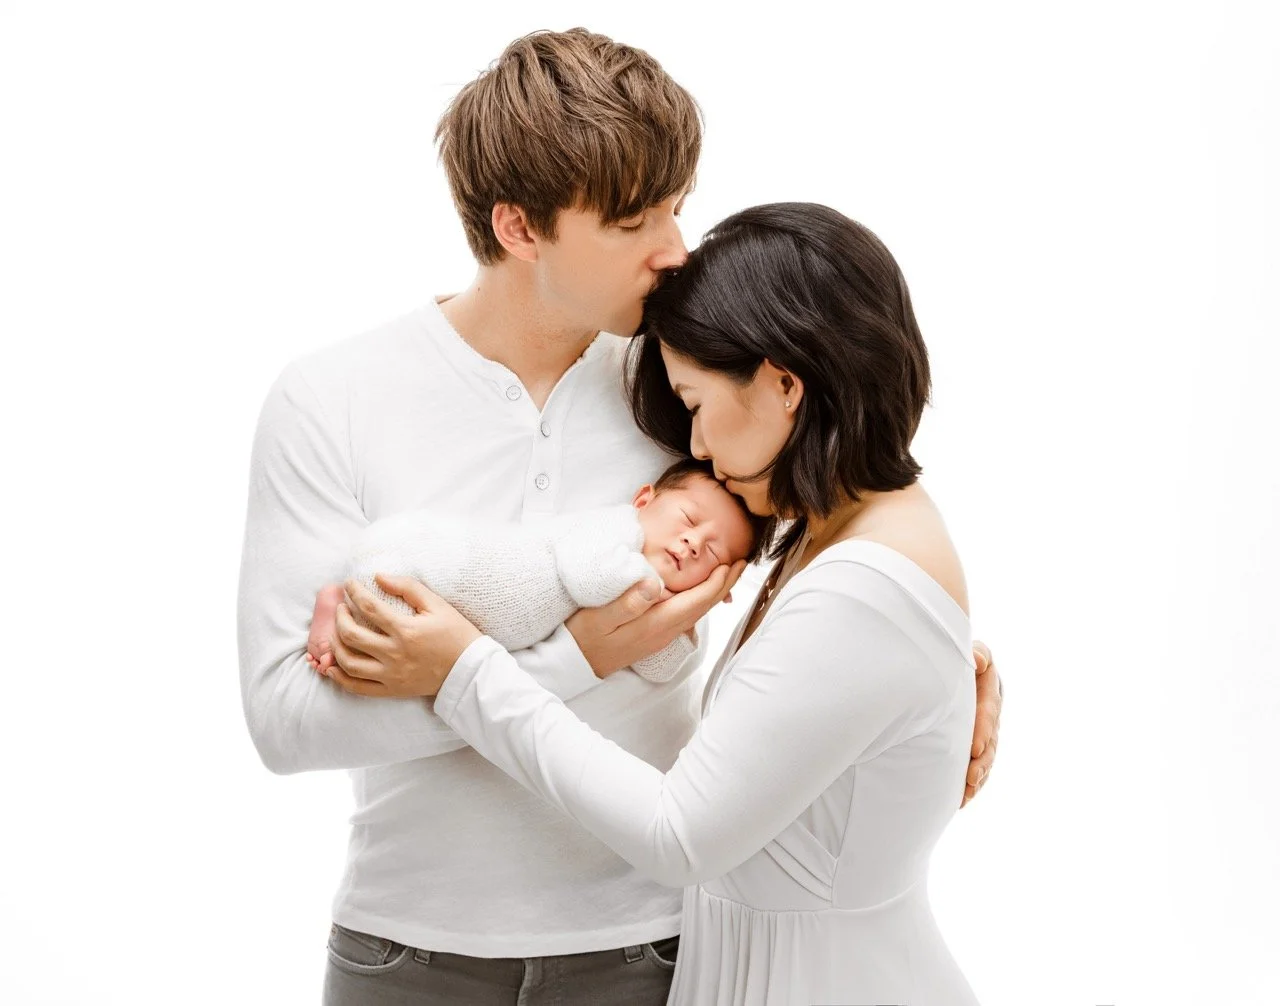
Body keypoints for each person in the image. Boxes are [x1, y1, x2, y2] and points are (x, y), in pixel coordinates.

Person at [236, 28, 1002, 1005]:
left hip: (652, 950)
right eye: (636, 219)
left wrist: (942, 681)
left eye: (678, 204)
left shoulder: (682, 385)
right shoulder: (330, 398)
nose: (676, 248)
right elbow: (287, 724)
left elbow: (836, 535)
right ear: (519, 228)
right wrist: (579, 657)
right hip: (404, 949)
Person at [304, 457, 765, 684]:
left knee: (396, 643)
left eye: (714, 554)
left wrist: (690, 614)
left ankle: (342, 607)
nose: (693, 542)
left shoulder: (643, 593)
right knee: (387, 614)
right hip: (435, 559)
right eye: (688, 519)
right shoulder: (615, 529)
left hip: (461, 607)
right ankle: (336, 602)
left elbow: (657, 666)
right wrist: (654, 588)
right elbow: (588, 577)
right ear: (644, 500)